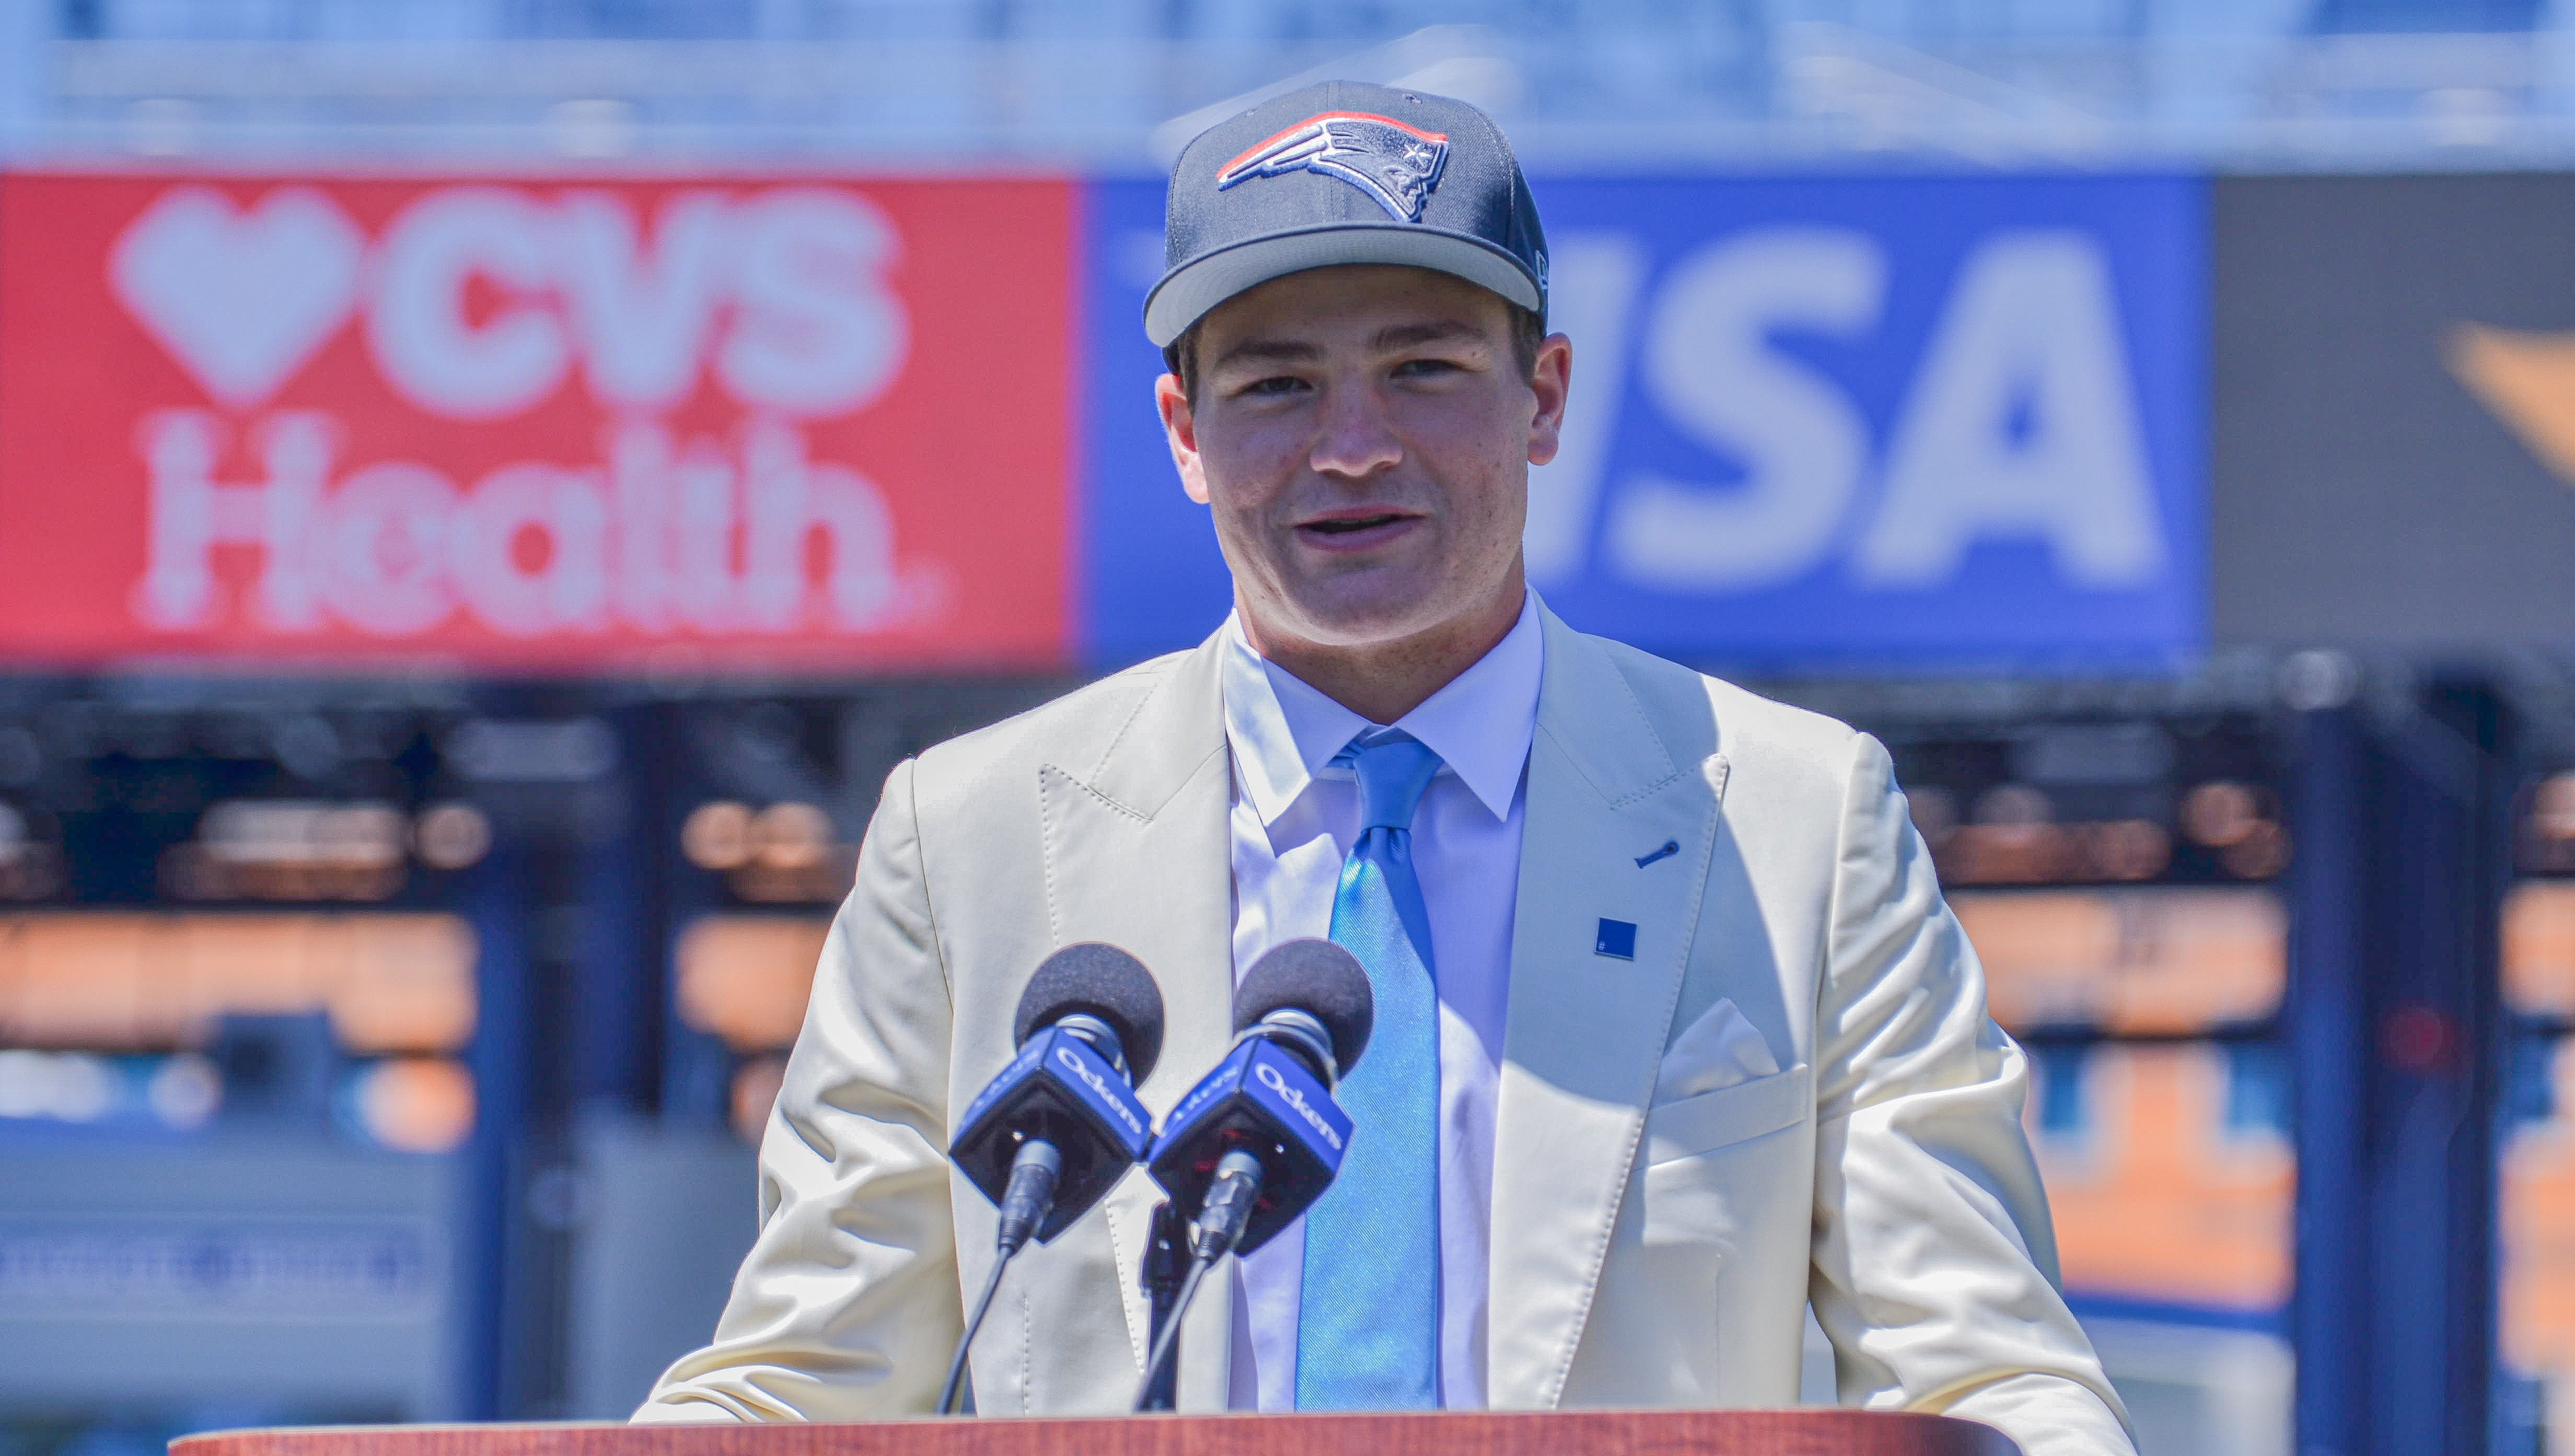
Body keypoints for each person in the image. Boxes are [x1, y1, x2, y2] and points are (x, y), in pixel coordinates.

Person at [635, 81, 2136, 1455]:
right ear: (1183, 431)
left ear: (1543, 396)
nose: (1351, 448)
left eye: (1422, 370)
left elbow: (1982, 1378)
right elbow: (798, 1384)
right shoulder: (965, 843)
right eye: (1277, 387)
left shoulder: (1801, 822)